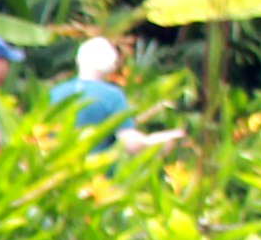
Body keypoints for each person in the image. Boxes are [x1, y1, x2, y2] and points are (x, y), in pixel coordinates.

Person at [50, 35, 180, 155]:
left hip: (55, 175)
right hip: (96, 175)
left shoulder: (55, 93)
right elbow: (130, 143)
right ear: (112, 65)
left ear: (78, 59)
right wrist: (158, 141)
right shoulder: (112, 96)